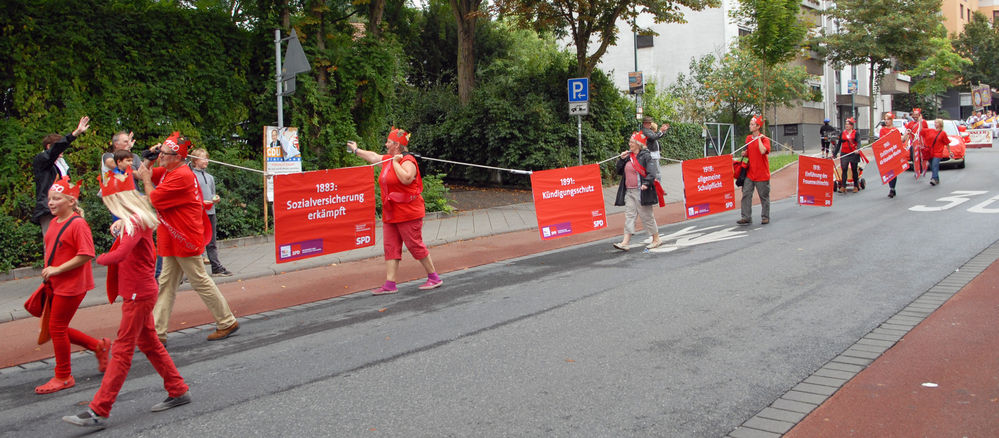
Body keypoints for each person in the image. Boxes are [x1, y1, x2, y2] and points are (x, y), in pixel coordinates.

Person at [62, 169, 190, 429]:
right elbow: (128, 242)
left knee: (121, 351)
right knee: (150, 344)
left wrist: (97, 258)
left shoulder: (134, 222)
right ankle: (177, 389)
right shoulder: (136, 219)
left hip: (138, 294)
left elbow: (120, 255)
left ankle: (99, 410)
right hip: (139, 291)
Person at [135, 132, 239, 343]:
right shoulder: (168, 170)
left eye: (164, 153)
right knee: (166, 282)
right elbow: (140, 173)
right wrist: (149, 158)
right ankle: (157, 332)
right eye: (161, 152)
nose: (161, 156)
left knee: (199, 279)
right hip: (172, 235)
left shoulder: (181, 175)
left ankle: (227, 321)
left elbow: (153, 198)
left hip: (183, 236)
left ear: (177, 157)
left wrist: (147, 177)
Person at [34, 176, 110, 394]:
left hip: (72, 284)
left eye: (56, 199)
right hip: (57, 283)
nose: (51, 203)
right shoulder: (55, 222)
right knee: (56, 328)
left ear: (70, 201)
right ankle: (98, 346)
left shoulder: (77, 224)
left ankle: (64, 376)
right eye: (50, 199)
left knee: (56, 328)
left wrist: (57, 269)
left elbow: (87, 254)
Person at [348, 128, 443, 294]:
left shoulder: (408, 161)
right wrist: (356, 150)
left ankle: (434, 277)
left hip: (408, 212)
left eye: (388, 142)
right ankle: (390, 284)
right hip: (391, 212)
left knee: (414, 245)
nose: (385, 144)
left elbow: (406, 179)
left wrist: (395, 162)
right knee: (390, 246)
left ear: (397, 145)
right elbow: (373, 157)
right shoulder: (387, 159)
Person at [32, 117, 90, 235]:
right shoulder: (42, 160)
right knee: (52, 242)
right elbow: (55, 151)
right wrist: (74, 134)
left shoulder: (62, 164)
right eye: (60, 147)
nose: (63, 150)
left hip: (66, 207)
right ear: (49, 147)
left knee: (67, 240)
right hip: (49, 208)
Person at [612, 131, 662, 250]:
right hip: (629, 191)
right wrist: (621, 159)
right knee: (629, 216)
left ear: (638, 144)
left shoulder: (646, 156)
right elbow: (619, 171)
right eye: (630, 141)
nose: (629, 144)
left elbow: (652, 171)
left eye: (632, 142)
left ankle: (656, 239)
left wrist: (646, 183)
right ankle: (625, 242)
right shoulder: (628, 156)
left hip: (642, 191)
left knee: (647, 216)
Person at [189, 148, 233, 277]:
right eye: (203, 158)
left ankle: (216, 267)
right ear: (195, 160)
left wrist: (215, 198)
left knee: (212, 241)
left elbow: (212, 193)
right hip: (197, 213)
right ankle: (193, 271)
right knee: (196, 241)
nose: (206, 161)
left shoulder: (210, 177)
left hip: (210, 211)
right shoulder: (190, 176)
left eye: (207, 158)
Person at [738, 115, 771, 225]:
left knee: (764, 196)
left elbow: (762, 151)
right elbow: (749, 152)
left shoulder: (765, 139)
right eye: (750, 124)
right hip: (750, 173)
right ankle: (746, 216)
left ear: (758, 127)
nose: (750, 126)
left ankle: (765, 216)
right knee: (746, 193)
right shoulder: (748, 138)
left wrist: (759, 139)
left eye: (752, 124)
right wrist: (745, 153)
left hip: (762, 174)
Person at [918, 118, 952, 186]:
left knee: (935, 165)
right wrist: (920, 122)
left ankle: (933, 178)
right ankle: (936, 178)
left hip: (938, 152)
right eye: (935, 122)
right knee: (932, 166)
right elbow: (921, 131)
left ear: (940, 124)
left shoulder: (943, 133)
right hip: (930, 152)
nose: (935, 124)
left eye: (937, 123)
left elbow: (947, 143)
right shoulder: (930, 131)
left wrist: (950, 152)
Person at [879, 113, 901, 198]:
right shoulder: (882, 130)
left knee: (894, 172)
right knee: (889, 171)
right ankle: (892, 188)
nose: (886, 121)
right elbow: (881, 141)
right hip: (886, 153)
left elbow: (900, 140)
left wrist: (906, 134)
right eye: (885, 119)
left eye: (888, 119)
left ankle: (892, 188)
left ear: (891, 120)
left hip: (893, 153)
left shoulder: (895, 130)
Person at [837, 118, 860, 194]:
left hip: (853, 153)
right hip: (844, 153)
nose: (846, 126)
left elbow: (859, 142)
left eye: (848, 124)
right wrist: (834, 153)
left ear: (852, 126)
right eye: (846, 124)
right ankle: (843, 186)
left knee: (854, 169)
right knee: (844, 169)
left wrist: (858, 149)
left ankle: (856, 186)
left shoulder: (856, 133)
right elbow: (839, 144)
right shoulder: (842, 133)